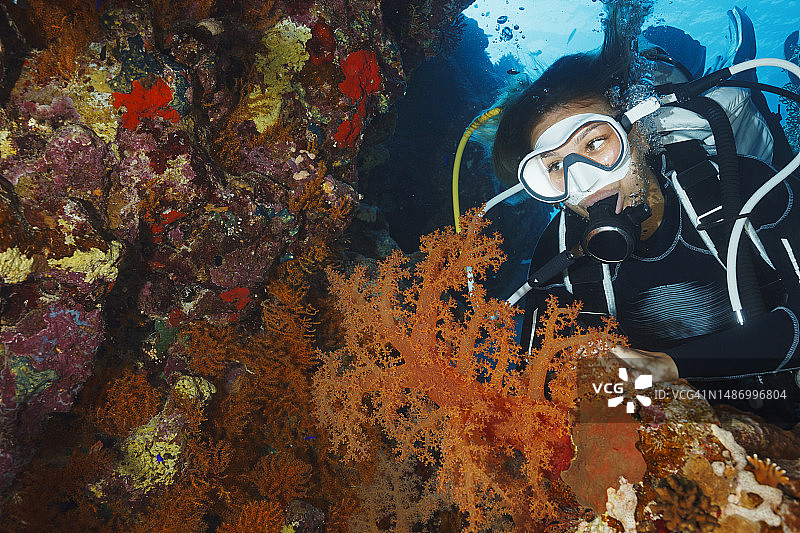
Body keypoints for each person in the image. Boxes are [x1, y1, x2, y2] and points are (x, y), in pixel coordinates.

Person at [490, 8, 800, 423]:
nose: (585, 181)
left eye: (596, 144)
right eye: (553, 167)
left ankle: (727, 72)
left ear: (634, 133)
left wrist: (671, 368)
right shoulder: (559, 253)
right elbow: (547, 385)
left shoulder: (741, 186)